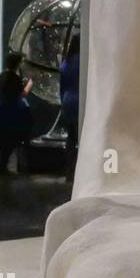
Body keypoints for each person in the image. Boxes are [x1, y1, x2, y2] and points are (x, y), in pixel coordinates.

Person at [0, 51, 34, 177]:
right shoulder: (14, 79)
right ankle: (1, 168)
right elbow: (21, 94)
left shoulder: (2, 76)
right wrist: (30, 84)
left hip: (0, 114)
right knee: (7, 142)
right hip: (9, 115)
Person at [60, 35, 80, 182]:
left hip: (68, 102)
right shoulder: (86, 61)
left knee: (71, 138)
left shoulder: (66, 63)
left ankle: (70, 172)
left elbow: (62, 88)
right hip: (81, 100)